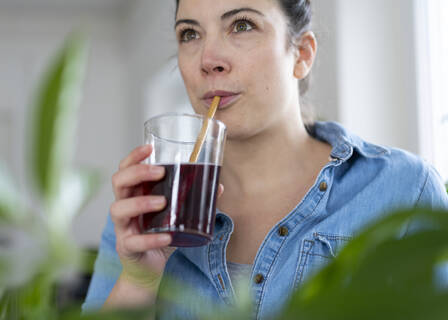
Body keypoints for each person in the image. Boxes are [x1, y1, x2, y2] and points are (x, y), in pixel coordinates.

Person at [83, 0, 448, 318]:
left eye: (242, 25)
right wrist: (139, 281)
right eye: (190, 33)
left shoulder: (406, 192)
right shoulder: (147, 210)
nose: (209, 60)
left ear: (302, 54)